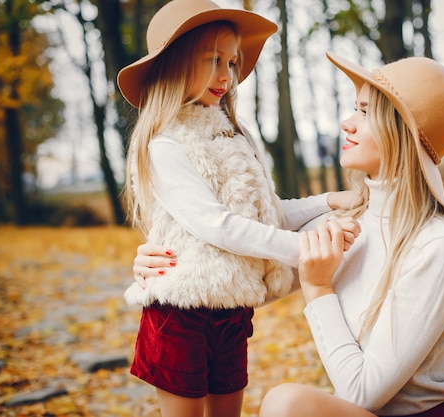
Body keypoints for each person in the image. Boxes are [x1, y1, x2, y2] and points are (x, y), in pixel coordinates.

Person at [133, 52, 444, 416]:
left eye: (364, 112)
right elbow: (240, 279)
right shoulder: (347, 221)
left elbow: (362, 393)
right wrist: (166, 268)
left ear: (400, 131)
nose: (347, 123)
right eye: (353, 109)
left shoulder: (436, 246)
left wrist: (318, 288)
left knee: (288, 405)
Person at [117, 1, 359, 416]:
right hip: (180, 313)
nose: (226, 76)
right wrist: (304, 250)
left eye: (231, 62)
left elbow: (264, 214)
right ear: (176, 64)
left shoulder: (237, 136)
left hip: (229, 312)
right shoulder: (167, 145)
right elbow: (219, 226)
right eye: (213, 60)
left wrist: (328, 202)